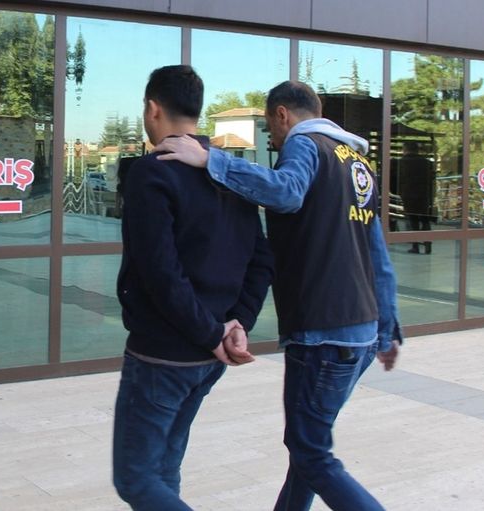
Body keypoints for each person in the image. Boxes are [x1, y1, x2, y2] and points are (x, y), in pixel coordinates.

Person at [154, 80, 402, 511]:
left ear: (282, 114)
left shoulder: (305, 144)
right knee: (307, 451)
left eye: (270, 126)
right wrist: (387, 327)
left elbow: (286, 191)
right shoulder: (355, 160)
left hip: (324, 333)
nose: (272, 137)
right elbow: (376, 253)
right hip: (358, 332)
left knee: (312, 455)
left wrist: (211, 160)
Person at [112, 65, 274, 510]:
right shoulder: (229, 172)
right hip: (210, 352)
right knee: (164, 469)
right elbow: (262, 259)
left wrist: (213, 332)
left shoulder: (152, 172)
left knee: (136, 478)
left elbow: (161, 272)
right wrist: (236, 324)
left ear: (152, 108)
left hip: (165, 353)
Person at [395, 141, 435, 254]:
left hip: (409, 195)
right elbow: (431, 180)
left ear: (405, 149)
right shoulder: (426, 163)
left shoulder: (402, 162)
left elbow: (399, 179)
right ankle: (428, 245)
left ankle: (415, 246)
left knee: (413, 221)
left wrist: (400, 193)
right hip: (423, 195)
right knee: (425, 220)